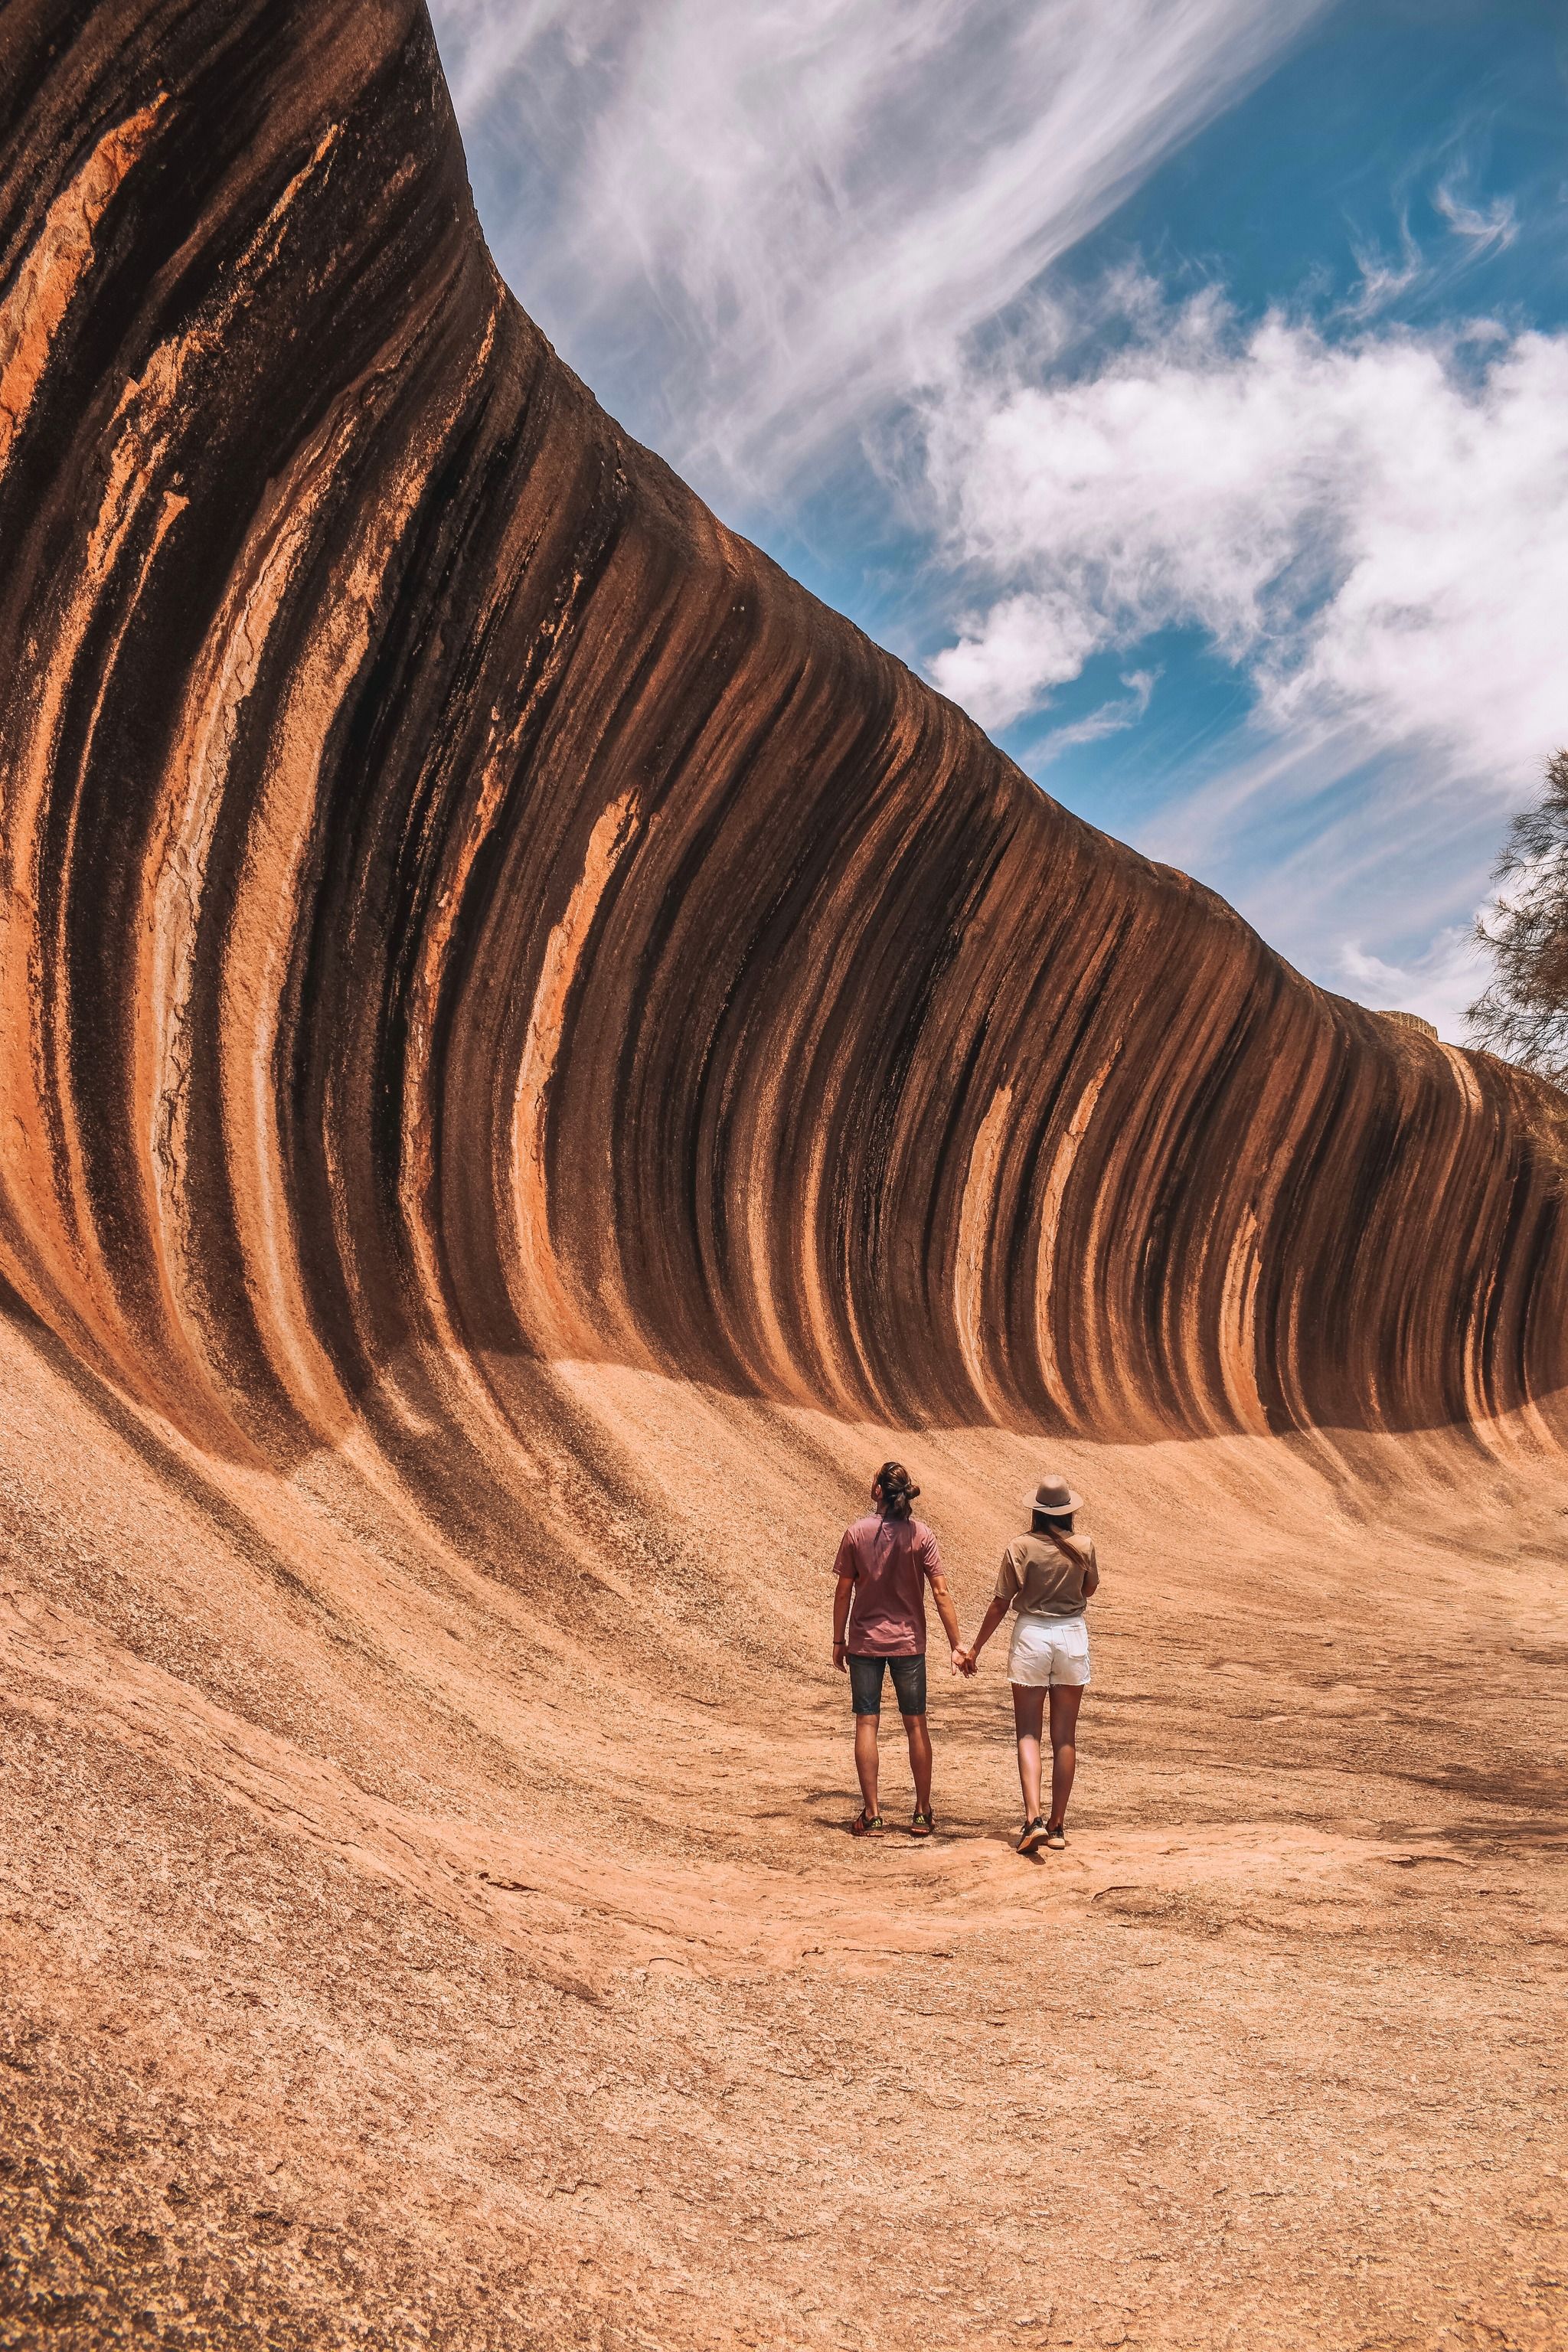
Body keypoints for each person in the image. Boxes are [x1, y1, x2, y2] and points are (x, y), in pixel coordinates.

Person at [958, 1474, 1098, 1853]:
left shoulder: (1019, 1546)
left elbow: (1001, 1602)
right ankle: (1058, 1825)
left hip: (1032, 1636)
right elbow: (1089, 1589)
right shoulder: (1083, 1545)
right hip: (1071, 1636)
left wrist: (975, 1649)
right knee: (1065, 1737)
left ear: (1035, 1511)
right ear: (1069, 1512)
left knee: (1028, 1734)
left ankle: (1032, 1818)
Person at [831, 1462, 967, 1838]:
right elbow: (940, 1592)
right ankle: (922, 1813)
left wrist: (838, 1639)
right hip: (909, 1644)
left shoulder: (856, 1533)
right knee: (915, 1724)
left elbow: (844, 1591)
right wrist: (957, 1644)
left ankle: (873, 1815)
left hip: (864, 1642)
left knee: (867, 1722)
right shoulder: (921, 1536)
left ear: (878, 1491)